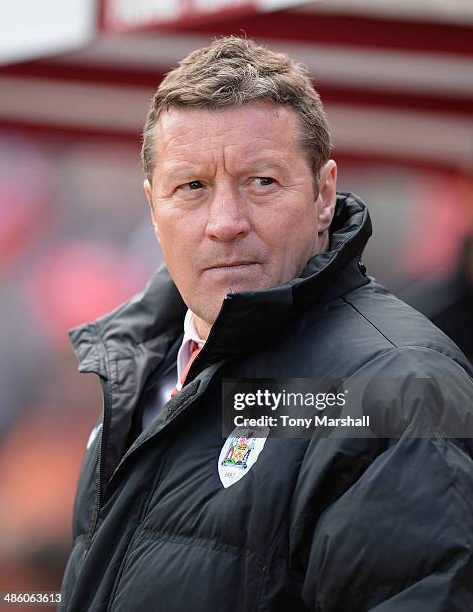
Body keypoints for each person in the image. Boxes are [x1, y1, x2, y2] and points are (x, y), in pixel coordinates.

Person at [60, 37, 473, 611]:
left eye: (261, 182)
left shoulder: (393, 390)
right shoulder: (136, 374)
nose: (225, 223)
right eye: (193, 187)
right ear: (154, 207)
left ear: (324, 195)